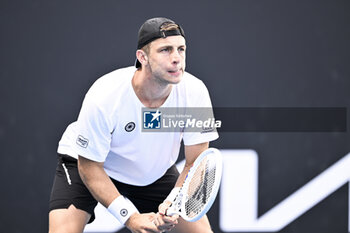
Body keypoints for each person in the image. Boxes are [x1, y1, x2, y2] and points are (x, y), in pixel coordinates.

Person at [49, 17, 219, 233]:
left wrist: (172, 203)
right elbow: (89, 167)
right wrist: (129, 217)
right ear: (142, 57)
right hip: (88, 163)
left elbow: (195, 163)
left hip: (152, 174)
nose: (177, 58)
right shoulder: (104, 95)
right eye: (165, 50)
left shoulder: (195, 92)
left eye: (181, 49)